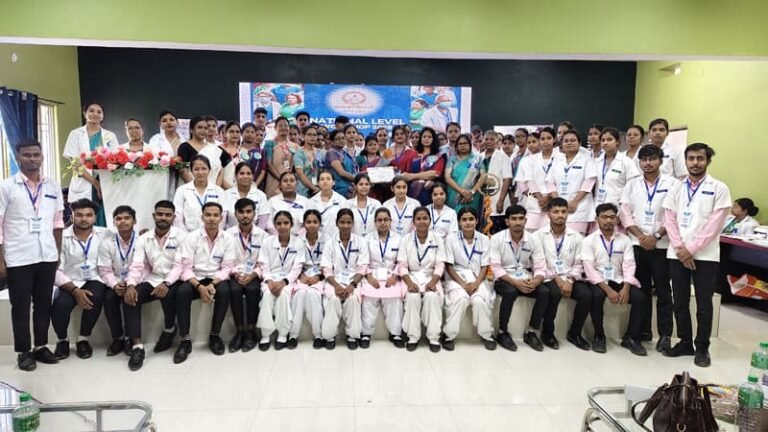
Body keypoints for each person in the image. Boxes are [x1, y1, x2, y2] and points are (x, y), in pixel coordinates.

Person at [663, 143, 731, 367]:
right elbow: (669, 219)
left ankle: (702, 347)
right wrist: (681, 249)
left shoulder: (719, 188)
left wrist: (690, 250)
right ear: (685, 161)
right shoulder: (676, 187)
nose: (695, 163)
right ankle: (684, 342)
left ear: (708, 161)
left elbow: (714, 225)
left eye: (700, 158)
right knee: (679, 301)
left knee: (704, 304)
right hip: (677, 253)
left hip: (705, 256)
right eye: (691, 158)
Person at [0, 139, 64, 370]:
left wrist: (57, 253)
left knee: (43, 304)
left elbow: (58, 222)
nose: (32, 159)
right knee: (20, 306)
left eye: (36, 155)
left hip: (46, 254)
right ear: (18, 158)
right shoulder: (6, 187)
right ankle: (23, 351)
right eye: (26, 155)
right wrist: (1, 259)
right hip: (18, 255)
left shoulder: (52, 186)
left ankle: (41, 346)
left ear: (42, 157)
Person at [620, 144, 679, 352]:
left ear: (660, 161)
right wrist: (641, 236)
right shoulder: (632, 185)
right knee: (641, 291)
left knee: (663, 291)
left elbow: (673, 215)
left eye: (652, 159)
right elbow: (625, 213)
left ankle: (665, 335)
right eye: (644, 159)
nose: (647, 163)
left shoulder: (673, 184)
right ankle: (642, 331)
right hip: (637, 244)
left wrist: (656, 236)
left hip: (661, 245)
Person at [123, 200, 185, 371]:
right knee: (131, 298)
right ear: (154, 216)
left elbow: (180, 266)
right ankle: (137, 346)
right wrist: (130, 285)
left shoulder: (181, 237)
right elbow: (137, 265)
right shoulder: (144, 239)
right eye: (160, 214)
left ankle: (169, 330)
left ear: (173, 217)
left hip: (175, 279)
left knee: (169, 294)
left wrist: (167, 283)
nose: (163, 217)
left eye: (167, 215)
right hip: (153, 278)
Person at [582, 203, 648, 355]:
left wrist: (626, 287)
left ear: (617, 220)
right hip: (598, 280)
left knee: (640, 298)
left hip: (618, 279)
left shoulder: (625, 240)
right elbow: (589, 270)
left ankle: (631, 337)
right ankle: (599, 336)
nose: (608, 221)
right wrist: (608, 290)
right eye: (604, 217)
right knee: (597, 296)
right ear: (597, 219)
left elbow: (629, 265)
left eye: (612, 217)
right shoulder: (589, 240)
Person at [50, 199, 111, 360]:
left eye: (89, 215)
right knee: (60, 304)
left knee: (95, 297)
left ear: (95, 217)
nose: (84, 219)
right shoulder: (62, 237)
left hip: (95, 278)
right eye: (79, 215)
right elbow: (55, 269)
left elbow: (124, 240)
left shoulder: (105, 234)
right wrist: (74, 290)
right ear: (72, 215)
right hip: (69, 280)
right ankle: (62, 340)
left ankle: (83, 339)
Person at [174, 202, 235, 363]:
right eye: (208, 215)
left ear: (221, 218)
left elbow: (227, 268)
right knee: (182, 292)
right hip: (195, 277)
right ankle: (185, 340)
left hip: (216, 277)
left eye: (215, 215)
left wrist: (212, 284)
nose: (211, 219)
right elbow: (185, 268)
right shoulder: (191, 237)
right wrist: (199, 286)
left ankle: (215, 335)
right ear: (202, 217)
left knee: (225, 291)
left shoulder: (228, 239)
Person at [532, 198, 594, 351]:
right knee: (553, 293)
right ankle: (548, 333)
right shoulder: (538, 236)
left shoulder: (577, 237)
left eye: (563, 212)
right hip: (548, 276)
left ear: (568, 213)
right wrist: (557, 279)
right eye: (556, 212)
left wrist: (570, 280)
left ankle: (575, 333)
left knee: (586, 295)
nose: (560, 215)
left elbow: (579, 263)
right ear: (548, 214)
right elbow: (539, 263)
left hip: (570, 276)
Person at [490, 205, 553, 352]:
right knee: (510, 292)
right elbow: (496, 268)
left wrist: (536, 281)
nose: (518, 222)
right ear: (507, 221)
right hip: (504, 278)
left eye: (521, 219)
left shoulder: (533, 239)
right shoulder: (497, 239)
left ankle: (531, 331)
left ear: (525, 220)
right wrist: (515, 283)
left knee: (544, 292)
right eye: (514, 219)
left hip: (525, 276)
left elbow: (540, 266)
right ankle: (502, 332)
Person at [442, 208, 496, 350]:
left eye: (471, 219)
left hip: (478, 278)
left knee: (479, 301)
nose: (468, 222)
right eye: (464, 220)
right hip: (456, 278)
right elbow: (449, 265)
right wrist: (463, 284)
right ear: (459, 222)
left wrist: (476, 283)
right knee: (461, 300)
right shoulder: (451, 239)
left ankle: (487, 335)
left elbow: (485, 265)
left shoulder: (484, 239)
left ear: (477, 221)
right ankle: (448, 335)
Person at [397, 206, 446, 352]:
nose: (422, 221)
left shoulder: (437, 239)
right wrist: (409, 283)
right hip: (411, 276)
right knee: (412, 297)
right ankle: (413, 336)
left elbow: (440, 264)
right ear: (413, 222)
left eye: (425, 218)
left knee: (432, 297)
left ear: (430, 221)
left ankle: (434, 337)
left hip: (431, 277)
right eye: (418, 218)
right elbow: (402, 265)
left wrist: (433, 281)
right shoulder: (406, 239)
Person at [63, 102, 119, 227]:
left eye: (99, 112)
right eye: (91, 111)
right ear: (85, 113)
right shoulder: (75, 134)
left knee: (106, 219)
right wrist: (96, 183)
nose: (95, 114)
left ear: (103, 116)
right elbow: (75, 165)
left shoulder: (110, 136)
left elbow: (116, 161)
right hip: (84, 181)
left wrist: (101, 184)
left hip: (105, 182)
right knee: (83, 221)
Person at [257, 211, 305, 350]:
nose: (282, 226)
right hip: (270, 279)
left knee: (283, 295)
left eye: (286, 223)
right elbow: (264, 265)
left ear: (291, 224)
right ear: (274, 225)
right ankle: (265, 335)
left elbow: (297, 268)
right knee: (267, 295)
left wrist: (284, 282)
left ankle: (282, 334)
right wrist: (269, 280)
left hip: (288, 281)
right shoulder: (267, 242)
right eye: (279, 223)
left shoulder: (298, 243)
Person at [320, 209, 368, 349]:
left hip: (354, 281)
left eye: (348, 222)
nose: (345, 226)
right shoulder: (330, 243)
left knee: (352, 299)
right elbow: (326, 269)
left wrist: (352, 285)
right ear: (336, 223)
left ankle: (352, 335)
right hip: (333, 281)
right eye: (342, 222)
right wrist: (336, 286)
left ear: (353, 224)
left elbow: (362, 267)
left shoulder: (360, 242)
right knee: (334, 299)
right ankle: (329, 335)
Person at [96, 206, 139, 357]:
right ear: (114, 222)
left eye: (127, 218)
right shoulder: (106, 243)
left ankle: (130, 338)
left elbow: (145, 266)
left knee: (132, 297)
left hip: (136, 281)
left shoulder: (142, 240)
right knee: (109, 298)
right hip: (115, 281)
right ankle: (118, 338)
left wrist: (131, 283)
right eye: (118, 219)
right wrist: (115, 285)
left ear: (134, 221)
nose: (123, 222)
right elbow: (105, 270)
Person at [226, 198, 267, 353]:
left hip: (254, 274)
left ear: (254, 214)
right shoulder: (227, 235)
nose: (245, 215)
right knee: (234, 290)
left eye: (249, 212)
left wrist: (253, 275)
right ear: (235, 214)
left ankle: (251, 331)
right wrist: (236, 274)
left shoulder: (263, 236)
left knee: (253, 290)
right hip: (235, 273)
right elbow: (226, 260)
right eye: (241, 212)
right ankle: (239, 332)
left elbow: (264, 262)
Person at [361, 208, 405, 348]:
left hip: (391, 275)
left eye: (386, 220)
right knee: (368, 299)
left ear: (390, 221)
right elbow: (363, 261)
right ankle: (366, 333)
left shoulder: (399, 239)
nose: (383, 223)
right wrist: (368, 276)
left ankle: (395, 333)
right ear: (375, 222)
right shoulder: (367, 239)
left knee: (395, 299)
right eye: (379, 220)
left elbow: (402, 261)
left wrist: (395, 276)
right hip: (372, 275)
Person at [546, 130, 597, 235]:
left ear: (579, 143)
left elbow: (588, 183)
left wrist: (575, 202)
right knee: (558, 237)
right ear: (561, 144)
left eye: (573, 140)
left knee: (576, 238)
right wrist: (558, 202)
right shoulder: (556, 160)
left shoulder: (587, 160)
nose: (569, 143)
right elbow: (550, 182)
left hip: (579, 207)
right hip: (559, 208)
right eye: (566, 141)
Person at [292, 210, 327, 349]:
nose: (312, 225)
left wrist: (319, 276)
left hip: (321, 276)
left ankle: (318, 335)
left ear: (320, 223)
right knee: (299, 294)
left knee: (313, 294)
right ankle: (293, 334)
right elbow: (292, 262)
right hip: (301, 275)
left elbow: (331, 263)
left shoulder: (328, 240)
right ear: (304, 224)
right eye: (308, 222)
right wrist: (301, 276)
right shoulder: (297, 240)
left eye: (315, 222)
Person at [516, 127, 557, 231]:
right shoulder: (530, 160)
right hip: (535, 202)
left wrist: (548, 198)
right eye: (543, 139)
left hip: (554, 200)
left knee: (553, 234)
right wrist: (540, 199)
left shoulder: (561, 158)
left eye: (549, 138)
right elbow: (529, 180)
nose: (546, 141)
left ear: (555, 139)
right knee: (532, 235)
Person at [173, 155, 226, 233]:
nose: (200, 172)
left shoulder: (219, 191)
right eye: (196, 169)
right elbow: (177, 216)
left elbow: (223, 216)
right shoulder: (182, 190)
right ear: (191, 171)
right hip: (188, 234)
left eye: (204, 169)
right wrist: (184, 236)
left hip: (212, 235)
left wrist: (214, 234)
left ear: (209, 170)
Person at [593, 128, 640, 207]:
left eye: (609, 139)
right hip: (597, 205)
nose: (605, 143)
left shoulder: (627, 162)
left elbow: (634, 186)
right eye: (603, 140)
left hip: (617, 206)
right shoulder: (596, 162)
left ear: (617, 142)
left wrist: (624, 204)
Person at [177, 116, 228, 187]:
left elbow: (220, 170)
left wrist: (215, 189)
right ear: (191, 130)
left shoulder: (214, 148)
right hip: (191, 189)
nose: (203, 130)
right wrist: (198, 188)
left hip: (213, 189)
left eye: (205, 128)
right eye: (199, 127)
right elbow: (183, 171)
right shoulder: (184, 147)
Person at [403, 127, 446, 205]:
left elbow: (435, 173)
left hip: (430, 192)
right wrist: (425, 175)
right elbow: (406, 174)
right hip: (412, 192)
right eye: (424, 136)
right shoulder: (413, 155)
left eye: (429, 137)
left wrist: (413, 176)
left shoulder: (439, 156)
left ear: (434, 139)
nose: (426, 139)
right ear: (421, 139)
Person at [445, 134, 486, 214]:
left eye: (465, 143)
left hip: (472, 196)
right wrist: (462, 191)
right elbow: (447, 177)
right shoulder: (452, 159)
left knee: (471, 217)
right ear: (456, 146)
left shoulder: (478, 158)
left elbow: (483, 176)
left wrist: (472, 192)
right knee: (454, 217)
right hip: (454, 195)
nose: (462, 145)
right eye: (460, 144)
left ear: (470, 144)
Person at [222, 162, 270, 229]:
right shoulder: (226, 194)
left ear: (253, 176)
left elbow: (262, 221)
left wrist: (256, 234)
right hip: (230, 233)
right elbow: (222, 221)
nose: (245, 176)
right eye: (242, 173)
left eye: (248, 173)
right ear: (235, 176)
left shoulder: (261, 195)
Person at [266, 171, 315, 236]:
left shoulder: (305, 202)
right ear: (280, 185)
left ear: (297, 184)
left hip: (300, 238)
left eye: (292, 181)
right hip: (277, 238)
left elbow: (310, 221)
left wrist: (297, 235)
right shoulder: (272, 201)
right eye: (285, 181)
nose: (289, 183)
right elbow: (268, 223)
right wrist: (280, 235)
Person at [487, 132, 515, 230]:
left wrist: (501, 201)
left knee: (498, 232)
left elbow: (507, 180)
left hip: (498, 199)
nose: (489, 141)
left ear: (497, 141)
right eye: (486, 139)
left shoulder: (503, 157)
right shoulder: (479, 156)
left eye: (492, 139)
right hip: (483, 200)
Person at [264, 116, 298, 197]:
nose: (283, 128)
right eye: (280, 125)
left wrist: (288, 180)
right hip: (274, 181)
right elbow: (269, 164)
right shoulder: (270, 143)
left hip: (290, 182)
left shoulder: (295, 146)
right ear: (275, 128)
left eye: (286, 125)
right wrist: (282, 179)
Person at [311, 170, 347, 238]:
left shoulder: (342, 201)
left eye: (328, 179)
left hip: (336, 238)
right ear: (318, 183)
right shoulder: (311, 201)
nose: (325, 181)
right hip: (317, 239)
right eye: (322, 179)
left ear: (333, 182)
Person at [325, 130, 359, 198]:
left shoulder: (344, 152)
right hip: (339, 189)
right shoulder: (332, 153)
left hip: (351, 187)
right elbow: (341, 173)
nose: (341, 140)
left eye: (343, 138)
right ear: (332, 141)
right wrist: (359, 180)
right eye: (337, 139)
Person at [356, 135, 390, 202]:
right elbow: (356, 173)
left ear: (378, 146)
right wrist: (367, 172)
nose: (373, 146)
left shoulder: (383, 160)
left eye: (375, 144)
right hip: (363, 186)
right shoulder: (359, 159)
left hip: (379, 188)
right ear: (365, 147)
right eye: (370, 145)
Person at [346, 174, 382, 239]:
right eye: (361, 184)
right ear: (355, 186)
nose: (364, 187)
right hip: (354, 241)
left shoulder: (376, 204)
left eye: (367, 184)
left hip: (373, 241)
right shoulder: (347, 204)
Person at [294, 125, 321, 197]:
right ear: (303, 136)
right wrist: (313, 188)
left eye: (314, 135)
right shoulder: (299, 153)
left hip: (318, 189)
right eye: (309, 134)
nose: (312, 137)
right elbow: (300, 173)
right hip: (302, 189)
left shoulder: (319, 152)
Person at [240, 123, 267, 190]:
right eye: (247, 131)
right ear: (242, 133)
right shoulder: (237, 150)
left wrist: (254, 186)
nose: (250, 134)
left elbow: (263, 171)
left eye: (252, 132)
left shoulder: (260, 152)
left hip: (255, 187)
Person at [219, 121, 242, 188]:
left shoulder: (243, 151)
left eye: (237, 132)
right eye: (231, 131)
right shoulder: (218, 150)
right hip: (223, 188)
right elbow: (217, 173)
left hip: (240, 189)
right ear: (225, 133)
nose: (235, 134)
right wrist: (230, 190)